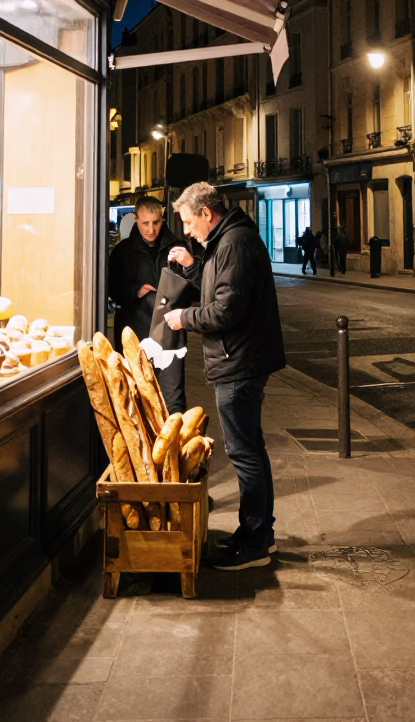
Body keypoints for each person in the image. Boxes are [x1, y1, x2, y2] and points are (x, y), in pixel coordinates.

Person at [164, 183, 286, 570]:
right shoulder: (228, 239)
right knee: (251, 450)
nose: (187, 230)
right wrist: (192, 266)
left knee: (244, 453)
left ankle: (254, 543)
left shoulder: (233, 242)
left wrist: (182, 318)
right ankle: (257, 533)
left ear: (206, 213)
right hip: (242, 359)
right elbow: (221, 286)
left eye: (188, 222)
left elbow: (225, 310)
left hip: (239, 362)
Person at [107, 196, 187, 413]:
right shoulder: (122, 251)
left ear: (162, 220)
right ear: (136, 221)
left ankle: (172, 444)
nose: (151, 229)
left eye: (156, 222)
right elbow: (110, 289)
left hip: (170, 331)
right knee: (135, 394)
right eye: (145, 223)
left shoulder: (178, 248)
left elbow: (194, 290)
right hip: (134, 330)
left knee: (172, 399)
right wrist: (135, 291)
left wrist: (188, 267)